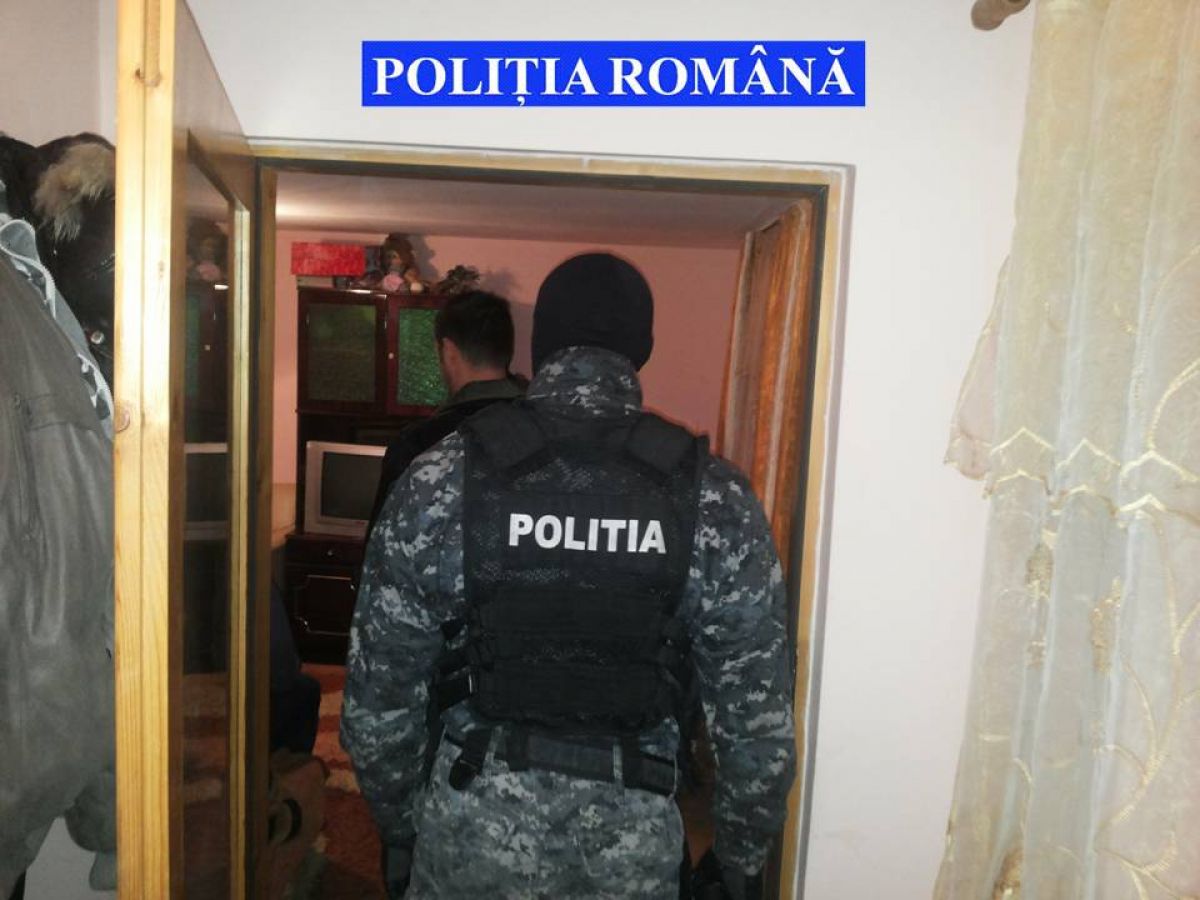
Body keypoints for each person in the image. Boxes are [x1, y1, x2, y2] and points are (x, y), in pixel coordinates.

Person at [342, 253, 795, 899]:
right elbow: (757, 723)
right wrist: (739, 858)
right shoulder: (711, 495)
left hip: (470, 837)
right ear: (642, 349)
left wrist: (400, 829)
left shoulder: (442, 477)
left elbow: (378, 702)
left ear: (542, 346)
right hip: (632, 851)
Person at [366, 289, 526, 534]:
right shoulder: (543, 430)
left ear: (449, 351)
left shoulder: (418, 444)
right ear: (507, 349)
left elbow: (380, 548)